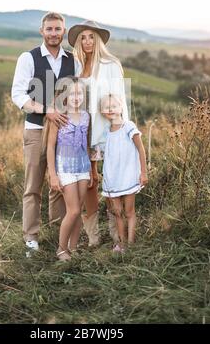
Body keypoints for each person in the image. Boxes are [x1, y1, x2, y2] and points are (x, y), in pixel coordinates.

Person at [11, 12, 80, 257]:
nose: (53, 33)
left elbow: (81, 95)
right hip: (36, 130)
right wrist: (45, 110)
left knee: (61, 184)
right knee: (33, 186)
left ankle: (58, 234)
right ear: (42, 31)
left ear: (64, 31)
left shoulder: (74, 60)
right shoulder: (28, 58)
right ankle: (31, 238)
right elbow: (18, 95)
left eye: (57, 29)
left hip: (66, 134)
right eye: (49, 29)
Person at [67, 20, 128, 246]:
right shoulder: (76, 67)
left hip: (107, 133)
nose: (87, 41)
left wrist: (121, 132)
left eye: (91, 36)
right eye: (83, 38)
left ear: (98, 39)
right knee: (90, 184)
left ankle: (117, 236)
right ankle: (93, 236)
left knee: (112, 183)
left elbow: (120, 100)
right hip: (83, 134)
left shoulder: (110, 64)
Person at [45, 77, 92, 261]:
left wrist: (89, 171)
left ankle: (73, 247)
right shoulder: (59, 116)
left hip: (82, 167)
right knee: (72, 211)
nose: (75, 97)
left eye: (79, 93)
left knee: (78, 212)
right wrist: (53, 175)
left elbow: (86, 145)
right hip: (65, 168)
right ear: (64, 95)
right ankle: (61, 249)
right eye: (72, 93)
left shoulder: (86, 116)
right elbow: (50, 147)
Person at [100, 93, 148, 251]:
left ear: (121, 107)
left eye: (114, 106)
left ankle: (131, 243)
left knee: (129, 212)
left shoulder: (128, 126)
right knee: (117, 212)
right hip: (112, 180)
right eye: (106, 107)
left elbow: (141, 149)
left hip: (128, 177)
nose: (111, 109)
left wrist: (143, 172)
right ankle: (122, 243)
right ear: (102, 111)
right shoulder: (106, 132)